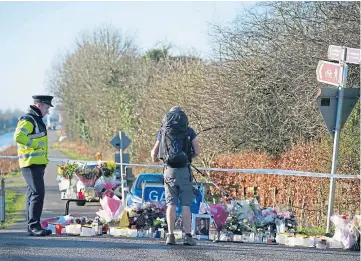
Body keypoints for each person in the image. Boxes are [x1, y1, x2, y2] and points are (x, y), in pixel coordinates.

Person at [151, 106, 200, 246]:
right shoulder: (189, 131)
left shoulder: (163, 131)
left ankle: (170, 235)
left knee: (171, 204)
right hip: (184, 170)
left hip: (169, 170)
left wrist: (157, 159)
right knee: (185, 205)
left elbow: (154, 153)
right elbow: (197, 151)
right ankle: (188, 236)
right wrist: (187, 158)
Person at [14, 95, 54, 236]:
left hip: (36, 164)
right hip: (30, 163)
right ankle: (34, 226)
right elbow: (19, 136)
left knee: (32, 194)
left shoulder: (36, 120)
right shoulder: (29, 119)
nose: (47, 111)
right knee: (38, 193)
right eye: (46, 108)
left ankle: (31, 226)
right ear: (39, 105)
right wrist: (35, 145)